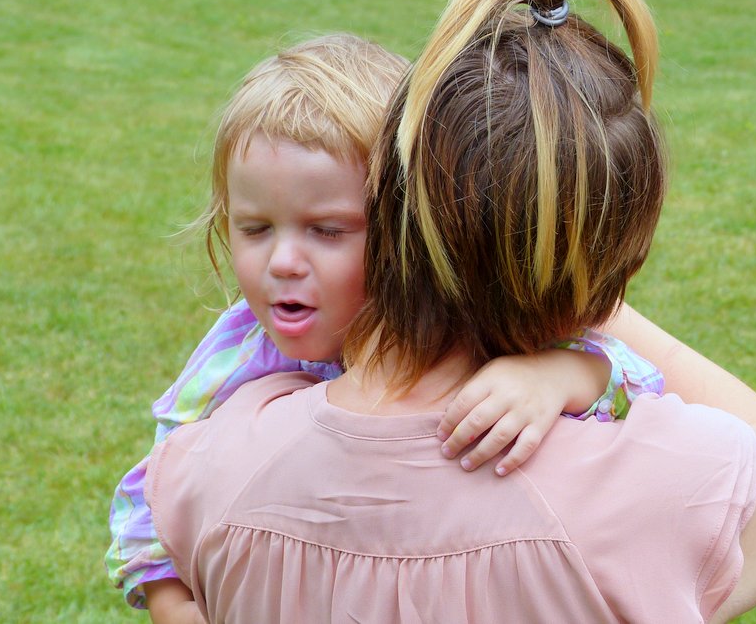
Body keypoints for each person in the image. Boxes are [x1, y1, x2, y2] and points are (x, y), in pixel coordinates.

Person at [145, 0, 756, 622]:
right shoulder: (665, 483)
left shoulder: (211, 462)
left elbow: (151, 538)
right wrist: (580, 302)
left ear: (388, 208)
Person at [106, 34, 665, 621]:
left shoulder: (461, 333)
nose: (283, 262)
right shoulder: (237, 351)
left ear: (406, 231)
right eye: (254, 228)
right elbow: (149, 494)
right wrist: (173, 606)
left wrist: (558, 376)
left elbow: (640, 385)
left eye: (327, 231)